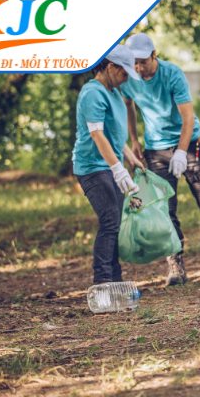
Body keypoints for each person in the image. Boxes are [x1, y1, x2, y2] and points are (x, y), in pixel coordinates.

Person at [121, 33, 200, 286]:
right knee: (164, 208)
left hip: (189, 142)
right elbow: (128, 105)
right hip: (155, 149)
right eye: (134, 62)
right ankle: (176, 264)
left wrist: (182, 151)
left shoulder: (172, 74)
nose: (138, 67)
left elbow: (188, 117)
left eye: (143, 61)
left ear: (154, 55)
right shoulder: (129, 77)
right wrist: (135, 139)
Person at [72, 44, 144, 285]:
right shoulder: (93, 93)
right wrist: (117, 168)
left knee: (116, 221)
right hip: (92, 167)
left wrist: (130, 157)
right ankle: (103, 282)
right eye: (124, 72)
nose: (125, 79)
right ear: (111, 67)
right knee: (110, 219)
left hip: (109, 163)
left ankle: (115, 279)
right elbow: (97, 135)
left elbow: (113, 135)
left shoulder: (113, 92)